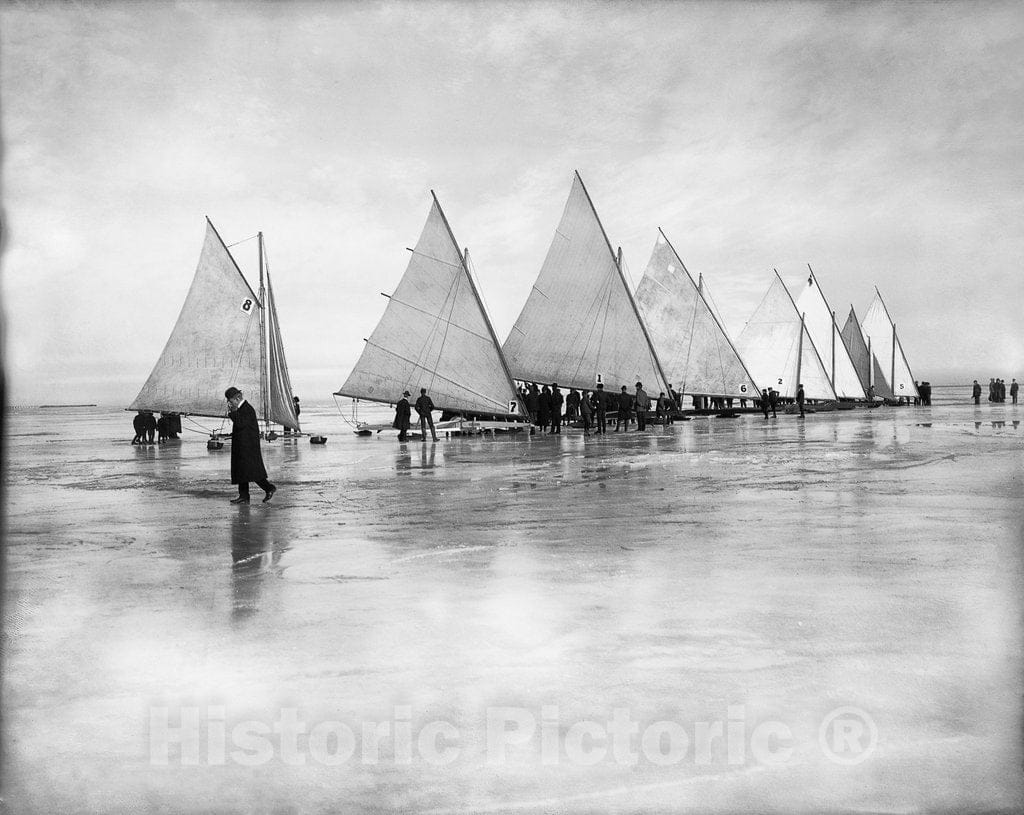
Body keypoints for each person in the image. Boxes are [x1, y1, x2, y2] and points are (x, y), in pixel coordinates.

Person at [224, 387, 276, 504]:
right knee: (242, 471)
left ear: (237, 398)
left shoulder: (247, 409)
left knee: (252, 472)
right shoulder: (242, 408)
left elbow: (241, 424)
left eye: (230, 401)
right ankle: (244, 496)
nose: (229, 403)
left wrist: (233, 412)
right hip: (242, 445)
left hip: (248, 446)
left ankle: (269, 488)